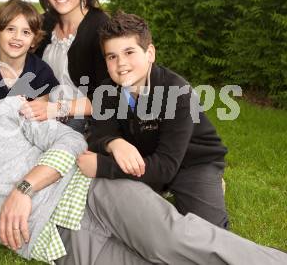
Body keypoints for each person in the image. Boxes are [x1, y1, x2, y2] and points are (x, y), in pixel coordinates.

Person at [0, 50, 287, 265]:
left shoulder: (10, 108)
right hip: (55, 240)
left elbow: (71, 143)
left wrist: (24, 188)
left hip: (92, 191)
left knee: (175, 240)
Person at [78, 12, 229, 228]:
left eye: (129, 52)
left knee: (205, 232)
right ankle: (158, 188)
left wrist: (102, 166)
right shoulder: (106, 90)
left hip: (191, 162)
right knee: (128, 221)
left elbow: (166, 166)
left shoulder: (177, 92)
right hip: (144, 158)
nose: (121, 64)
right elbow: (98, 133)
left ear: (150, 53)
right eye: (112, 56)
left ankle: (208, 183)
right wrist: (113, 143)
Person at [19, 0, 109, 132]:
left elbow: (109, 99)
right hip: (40, 117)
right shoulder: (43, 24)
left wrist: (55, 109)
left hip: (86, 124)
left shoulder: (103, 29)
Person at [0, 0, 59, 105]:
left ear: (34, 40)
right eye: (10, 29)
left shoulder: (41, 72)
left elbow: (40, 113)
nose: (17, 37)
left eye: (26, 32)